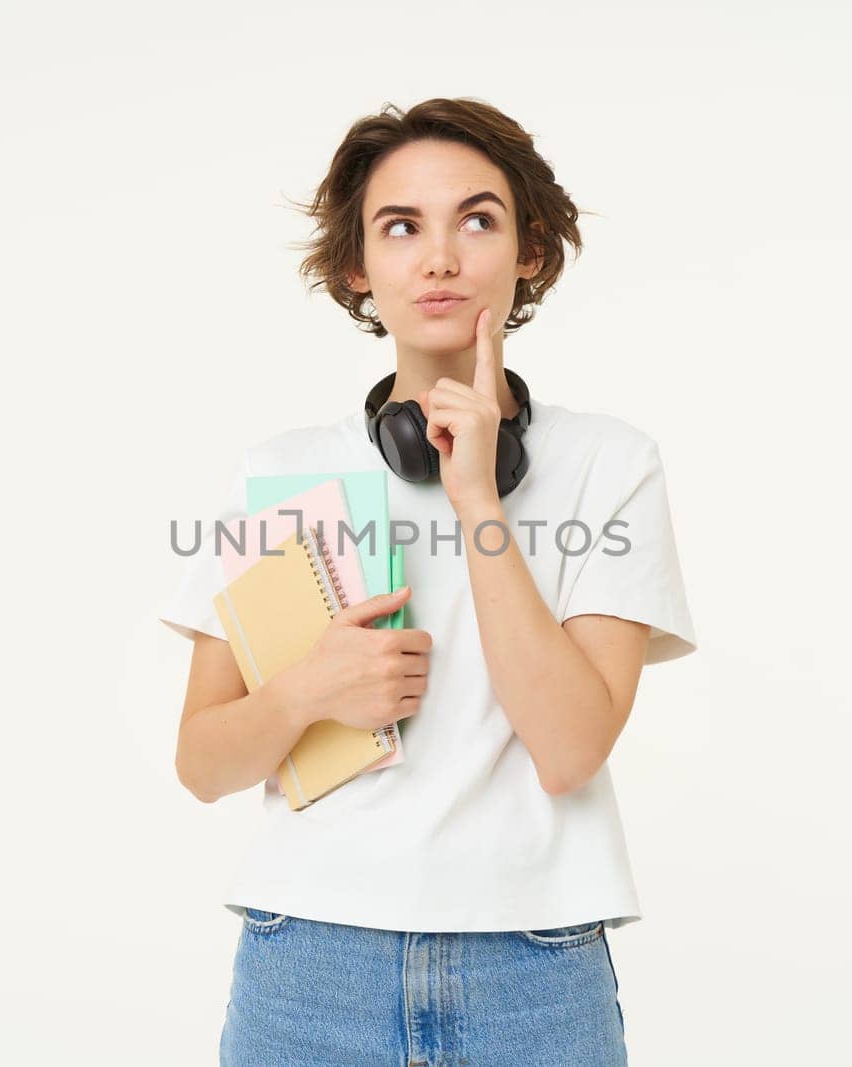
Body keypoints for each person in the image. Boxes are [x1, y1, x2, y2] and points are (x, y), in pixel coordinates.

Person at [159, 97, 697, 1066]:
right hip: (307, 965)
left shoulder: (607, 464)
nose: (439, 257)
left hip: (533, 967)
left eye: (476, 220)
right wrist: (307, 690)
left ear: (529, 250)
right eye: (400, 226)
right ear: (359, 267)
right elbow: (202, 762)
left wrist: (477, 498)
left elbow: (571, 744)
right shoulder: (285, 473)